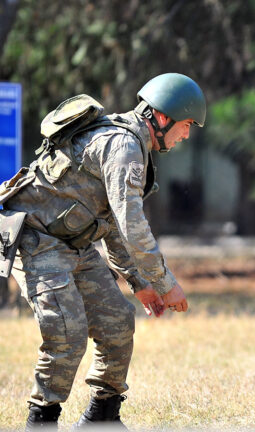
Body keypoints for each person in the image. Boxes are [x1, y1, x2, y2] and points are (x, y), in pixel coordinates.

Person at [4, 73, 206, 430]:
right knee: (66, 333)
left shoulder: (133, 146)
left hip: (74, 242)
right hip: (35, 238)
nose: (187, 134)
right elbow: (133, 227)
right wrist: (165, 284)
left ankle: (103, 418)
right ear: (162, 118)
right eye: (187, 124)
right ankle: (41, 421)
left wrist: (138, 281)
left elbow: (113, 222)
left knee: (116, 323)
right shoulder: (124, 147)